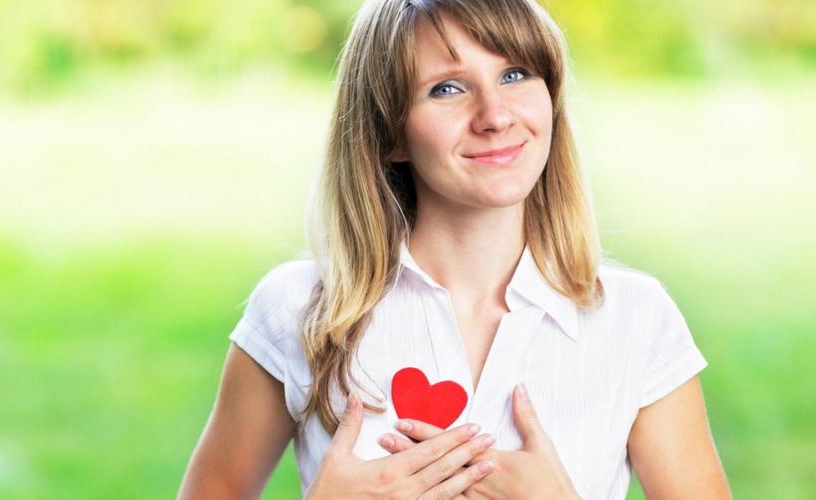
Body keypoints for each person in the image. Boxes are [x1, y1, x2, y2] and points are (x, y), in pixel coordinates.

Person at [178, 0, 734, 498]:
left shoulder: (635, 319)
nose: (495, 116)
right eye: (447, 87)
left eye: (515, 74)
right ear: (389, 132)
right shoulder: (301, 310)